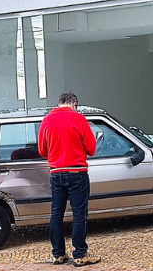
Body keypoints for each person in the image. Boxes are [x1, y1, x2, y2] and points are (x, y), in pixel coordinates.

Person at [38, 92, 101, 267]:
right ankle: (79, 254)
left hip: (56, 173)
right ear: (74, 103)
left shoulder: (47, 121)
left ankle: (58, 254)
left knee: (56, 214)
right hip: (77, 172)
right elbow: (91, 149)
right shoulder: (79, 119)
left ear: (59, 104)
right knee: (79, 214)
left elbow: (42, 151)